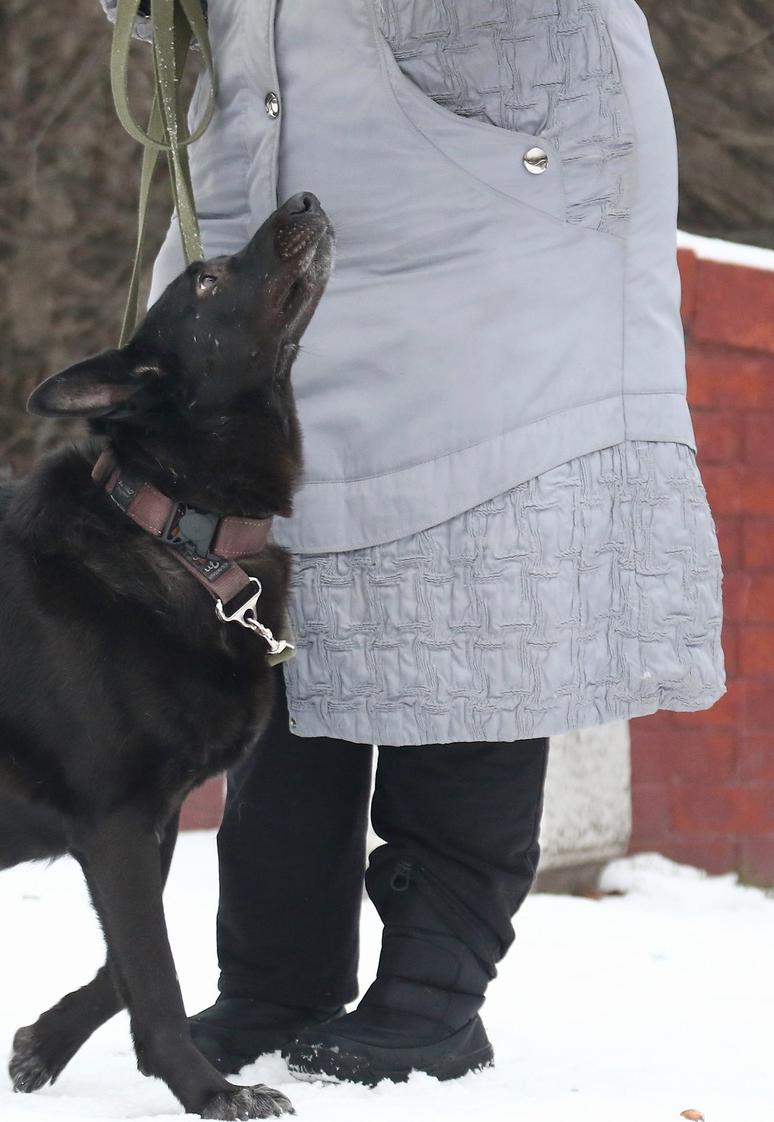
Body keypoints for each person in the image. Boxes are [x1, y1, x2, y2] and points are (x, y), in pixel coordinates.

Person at [102, 0, 727, 1086]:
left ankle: (434, 992)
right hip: (273, 164)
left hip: (487, 188)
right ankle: (274, 975)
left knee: (467, 598)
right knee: (280, 614)